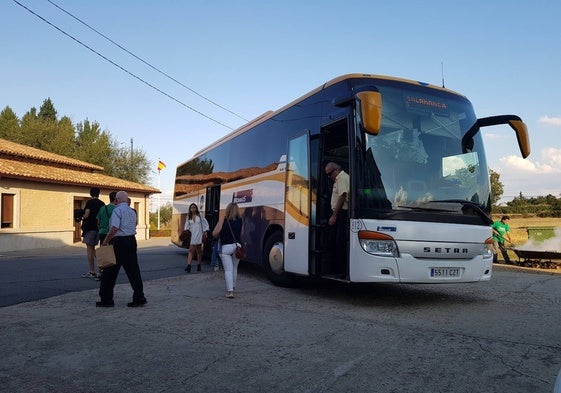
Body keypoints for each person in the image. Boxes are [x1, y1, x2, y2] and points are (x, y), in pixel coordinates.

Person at [97, 191, 147, 307]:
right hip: (131, 241)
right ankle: (139, 297)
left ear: (116, 199)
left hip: (119, 242)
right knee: (133, 271)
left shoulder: (117, 211)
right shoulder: (132, 211)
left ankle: (106, 299)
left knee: (109, 271)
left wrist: (105, 241)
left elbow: (114, 228)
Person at [212, 202, 243, 299]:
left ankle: (230, 292)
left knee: (228, 270)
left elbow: (214, 233)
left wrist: (220, 234)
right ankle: (233, 286)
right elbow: (242, 233)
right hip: (237, 246)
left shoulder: (223, 220)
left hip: (226, 248)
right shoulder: (241, 220)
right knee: (234, 268)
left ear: (227, 210)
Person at [325, 162, 349, 276]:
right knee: (332, 241)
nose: (329, 177)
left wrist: (334, 215)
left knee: (339, 242)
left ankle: (341, 271)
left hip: (341, 214)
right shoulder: (339, 179)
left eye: (329, 174)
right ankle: (333, 269)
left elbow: (342, 196)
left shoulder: (342, 178)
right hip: (338, 213)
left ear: (336, 170)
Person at [81, 187, 105, 279]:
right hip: (98, 229)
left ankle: (92, 271)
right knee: (94, 249)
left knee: (89, 249)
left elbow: (86, 215)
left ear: (91, 194)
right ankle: (101, 267)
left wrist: (81, 215)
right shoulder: (102, 204)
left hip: (89, 229)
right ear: (99, 194)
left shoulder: (89, 203)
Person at [184, 203, 210, 273]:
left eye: (194, 207)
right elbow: (186, 226)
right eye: (191, 208)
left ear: (196, 208)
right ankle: (189, 266)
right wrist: (186, 232)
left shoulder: (200, 215)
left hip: (199, 234)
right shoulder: (188, 216)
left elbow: (205, 223)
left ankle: (199, 265)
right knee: (191, 251)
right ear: (190, 209)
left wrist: (205, 231)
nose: (193, 209)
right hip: (192, 235)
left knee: (198, 251)